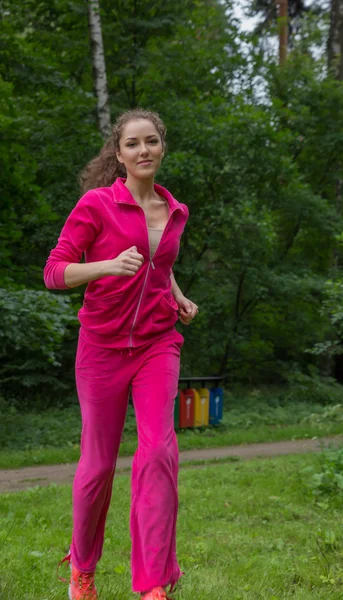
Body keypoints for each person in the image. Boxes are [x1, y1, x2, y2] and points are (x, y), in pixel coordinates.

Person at [44, 108, 198, 600]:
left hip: (157, 342)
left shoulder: (176, 211)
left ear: (162, 147)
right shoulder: (96, 205)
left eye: (151, 141)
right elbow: (55, 272)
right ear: (119, 154)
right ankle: (82, 570)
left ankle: (153, 583)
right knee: (98, 465)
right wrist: (107, 266)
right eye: (133, 144)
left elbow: (159, 263)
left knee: (158, 452)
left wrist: (177, 294)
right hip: (102, 347)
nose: (143, 151)